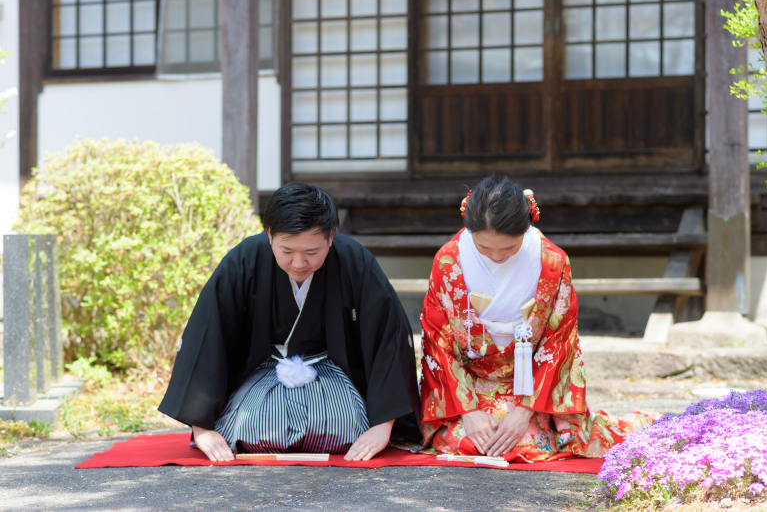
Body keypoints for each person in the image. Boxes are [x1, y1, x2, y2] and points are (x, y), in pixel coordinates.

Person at [159, 183, 421, 461]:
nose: (298, 263)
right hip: (262, 372)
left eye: (311, 252)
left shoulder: (354, 260)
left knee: (344, 427)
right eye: (287, 251)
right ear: (269, 234)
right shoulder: (245, 259)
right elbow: (208, 333)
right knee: (249, 429)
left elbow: (387, 336)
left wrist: (383, 425)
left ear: (331, 237)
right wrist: (202, 429)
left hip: (333, 375)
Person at [419, 176, 658, 462]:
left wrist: (524, 411)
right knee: (463, 439)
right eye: (484, 247)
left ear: (526, 227)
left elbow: (559, 343)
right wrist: (468, 412)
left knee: (529, 443)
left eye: (508, 248)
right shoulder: (448, 261)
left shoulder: (552, 262)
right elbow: (437, 339)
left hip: (530, 387)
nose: (496, 256)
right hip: (468, 388)